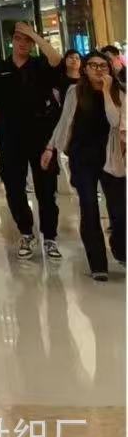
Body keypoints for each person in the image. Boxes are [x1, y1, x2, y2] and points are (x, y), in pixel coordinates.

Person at [0, 23, 64, 259]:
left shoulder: (40, 66)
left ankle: (50, 236)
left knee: (46, 189)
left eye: (27, 40)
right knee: (14, 188)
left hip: (41, 136)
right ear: (12, 41)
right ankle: (26, 232)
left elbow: (56, 59)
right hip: (10, 137)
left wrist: (34, 35)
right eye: (18, 38)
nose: (22, 43)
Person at [42, 51, 126, 280]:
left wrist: (107, 91)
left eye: (103, 66)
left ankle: (120, 247)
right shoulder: (75, 91)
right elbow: (64, 121)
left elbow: (115, 121)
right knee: (89, 207)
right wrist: (50, 147)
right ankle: (98, 264)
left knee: (120, 211)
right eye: (93, 65)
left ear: (110, 69)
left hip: (112, 157)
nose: (98, 70)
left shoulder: (119, 92)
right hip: (82, 157)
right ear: (85, 69)